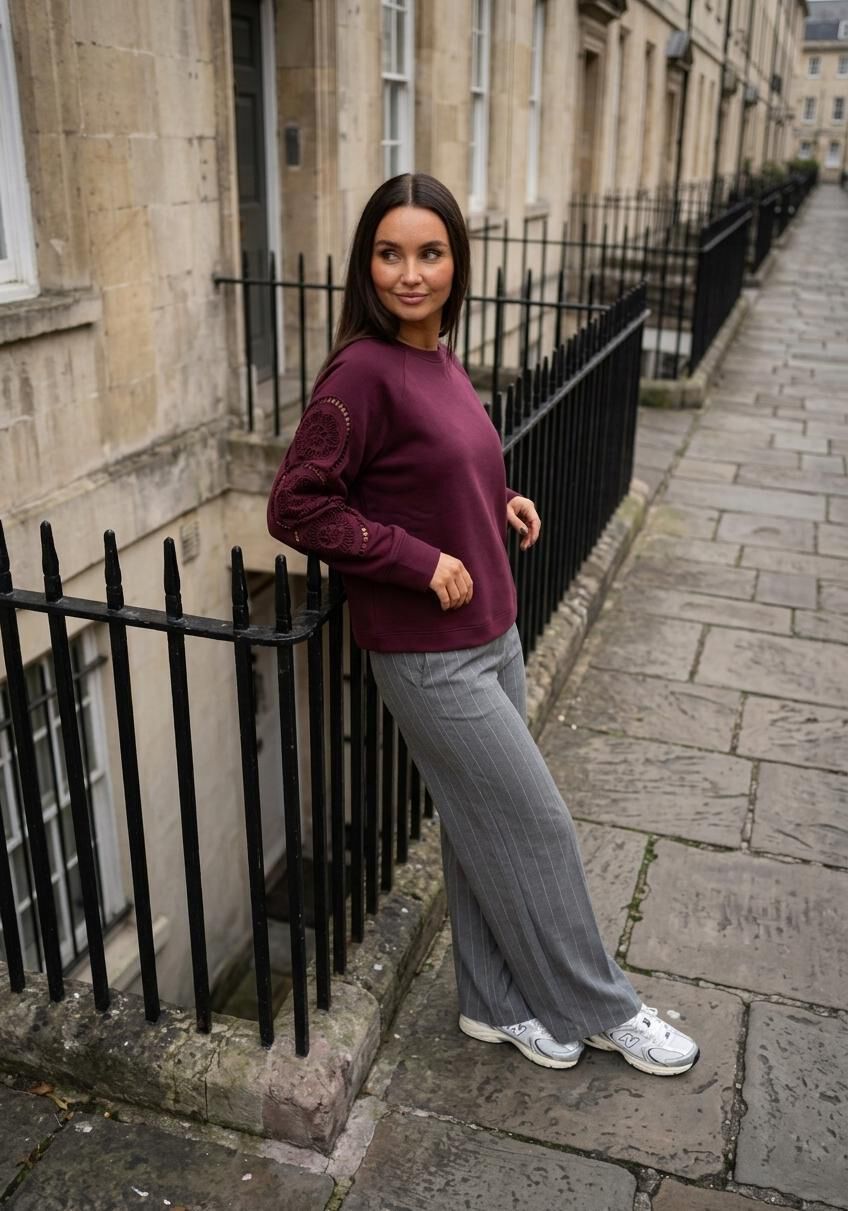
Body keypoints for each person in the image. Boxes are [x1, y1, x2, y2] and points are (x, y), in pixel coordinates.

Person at [267, 172, 699, 1077]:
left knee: (481, 825)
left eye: (429, 253)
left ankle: (494, 1003)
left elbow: (433, 464)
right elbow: (297, 505)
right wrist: (417, 559)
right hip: (430, 656)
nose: (409, 273)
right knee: (538, 824)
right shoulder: (361, 373)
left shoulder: (440, 353)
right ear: (366, 264)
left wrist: (496, 499)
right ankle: (607, 1009)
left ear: (456, 262)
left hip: (491, 630)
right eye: (390, 254)